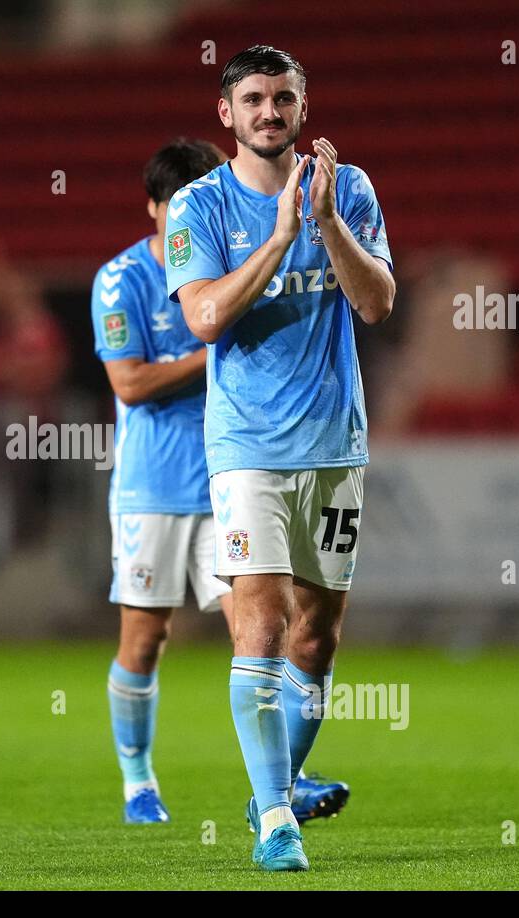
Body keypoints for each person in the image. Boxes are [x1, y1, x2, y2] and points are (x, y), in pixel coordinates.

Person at [166, 46, 394, 871]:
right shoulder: (198, 205)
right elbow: (204, 318)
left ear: (303, 107)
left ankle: (277, 782)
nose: (270, 112)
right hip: (247, 450)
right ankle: (274, 823)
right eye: (254, 100)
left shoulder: (351, 189)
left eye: (283, 99)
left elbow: (374, 303)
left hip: (334, 442)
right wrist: (281, 238)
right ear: (226, 113)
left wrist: (325, 220)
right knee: (260, 623)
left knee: (319, 641)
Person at [95, 138, 350, 826]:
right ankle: (137, 781)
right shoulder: (120, 280)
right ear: (152, 209)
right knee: (145, 639)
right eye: (175, 208)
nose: (190, 219)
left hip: (228, 476)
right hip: (152, 486)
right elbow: (130, 382)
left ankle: (276, 785)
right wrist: (208, 346)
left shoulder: (237, 256)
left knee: (263, 629)